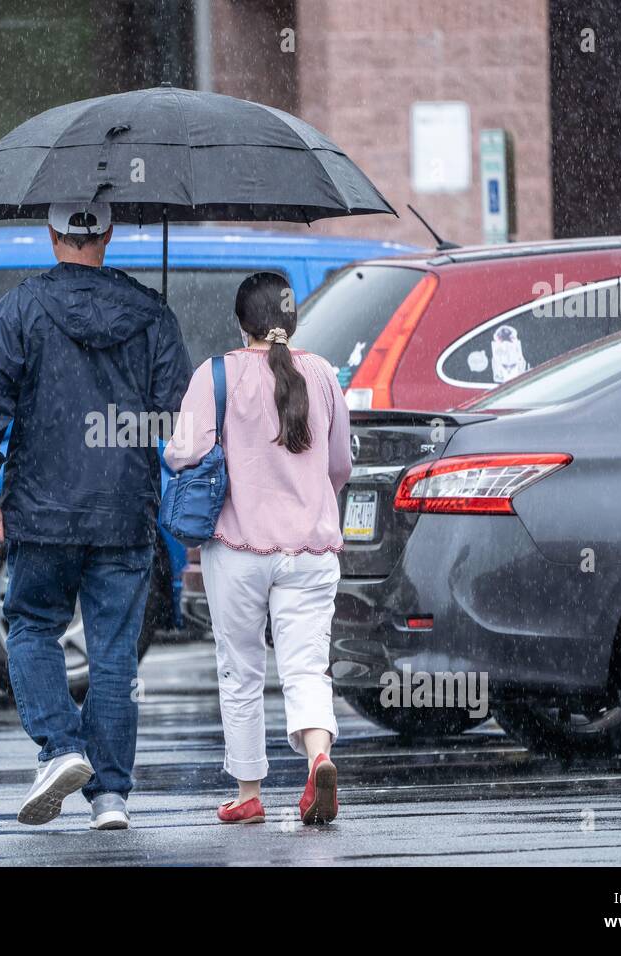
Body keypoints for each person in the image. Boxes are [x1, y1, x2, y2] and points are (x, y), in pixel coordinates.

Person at [0, 202, 192, 830]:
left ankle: (61, 747)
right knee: (114, 651)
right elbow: (180, 421)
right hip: (124, 510)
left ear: (52, 233)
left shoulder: (19, 309)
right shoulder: (151, 313)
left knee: (33, 626)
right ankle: (111, 797)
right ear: (109, 234)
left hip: (42, 509)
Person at [164, 272, 352, 826]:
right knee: (307, 667)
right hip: (313, 550)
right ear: (292, 321)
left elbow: (182, 454)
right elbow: (340, 464)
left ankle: (248, 791)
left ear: (240, 322)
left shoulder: (215, 373)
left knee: (240, 667)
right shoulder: (320, 374)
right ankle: (319, 756)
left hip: (238, 547)